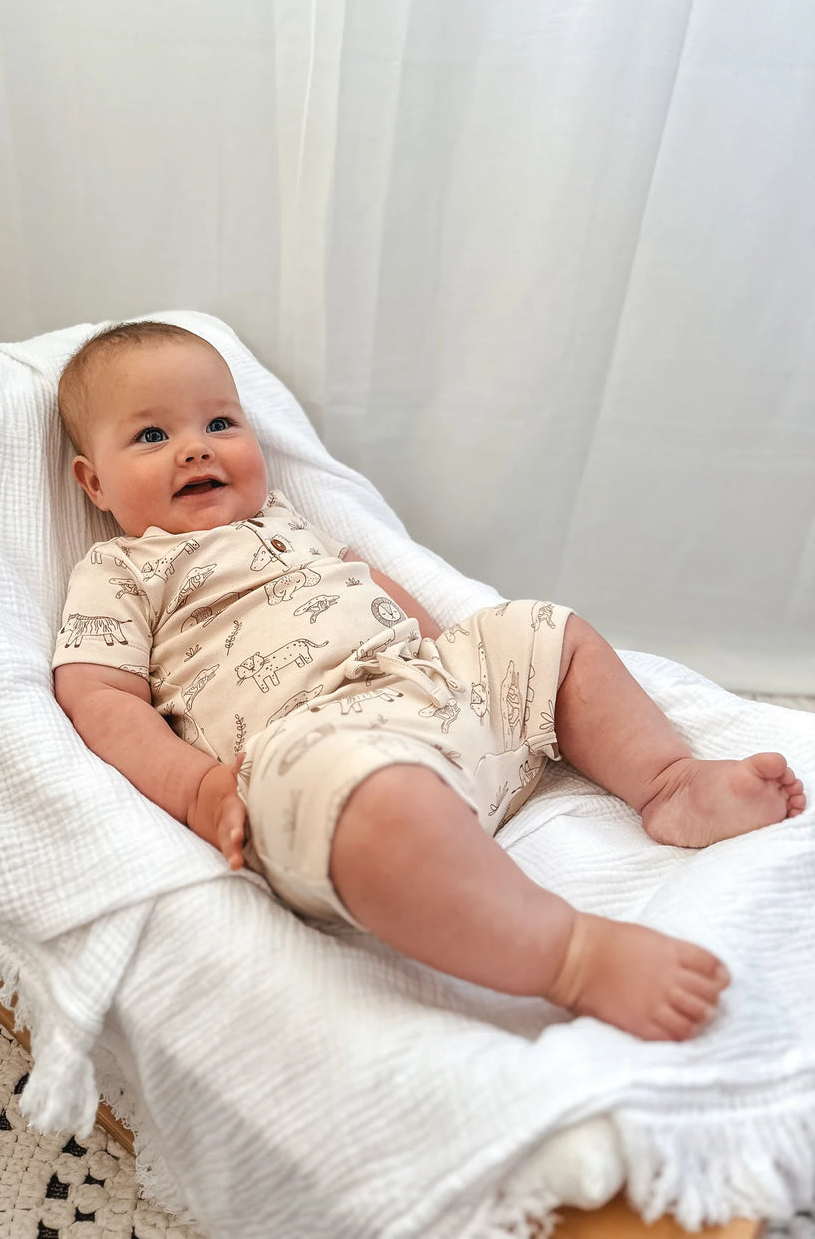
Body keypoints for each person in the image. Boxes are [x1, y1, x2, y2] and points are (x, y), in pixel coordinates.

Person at [51, 321, 805, 1042]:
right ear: (94, 483)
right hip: (315, 740)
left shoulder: (284, 517)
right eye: (153, 435)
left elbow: (371, 583)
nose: (194, 449)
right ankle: (568, 954)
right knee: (364, 801)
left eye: (219, 423)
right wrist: (196, 788)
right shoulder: (123, 570)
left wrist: (468, 667)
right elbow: (100, 696)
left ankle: (667, 781)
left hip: (431, 691)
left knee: (543, 631)